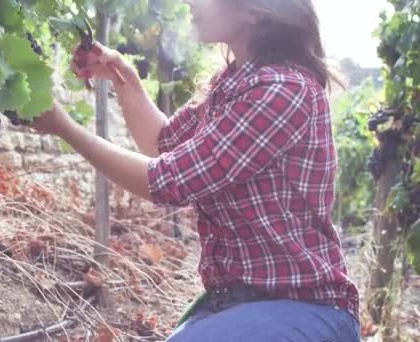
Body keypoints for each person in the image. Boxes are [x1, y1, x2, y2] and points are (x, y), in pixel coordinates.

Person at [30, 0, 361, 340]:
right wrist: (122, 76)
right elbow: (163, 143)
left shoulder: (282, 90)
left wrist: (63, 126)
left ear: (253, 11)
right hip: (243, 304)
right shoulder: (234, 82)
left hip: (303, 308)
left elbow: (167, 181)